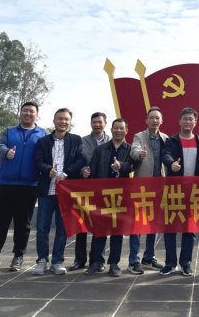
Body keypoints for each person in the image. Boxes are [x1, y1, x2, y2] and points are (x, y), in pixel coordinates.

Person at [0, 102, 47, 272]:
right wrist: (6, 152)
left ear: (37, 114)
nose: (28, 113)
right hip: (5, 183)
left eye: (31, 111)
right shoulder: (9, 131)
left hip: (29, 185)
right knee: (0, 222)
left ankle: (18, 255)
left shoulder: (42, 134)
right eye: (25, 110)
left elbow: (46, 154)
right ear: (20, 113)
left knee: (23, 223)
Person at [33, 108, 86, 275]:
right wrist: (48, 170)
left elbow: (81, 159)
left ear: (70, 122)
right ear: (54, 121)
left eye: (66, 119)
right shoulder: (43, 141)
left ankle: (57, 261)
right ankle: (42, 261)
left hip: (65, 192)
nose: (63, 122)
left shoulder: (76, 140)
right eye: (60, 119)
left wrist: (66, 173)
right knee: (42, 228)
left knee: (62, 229)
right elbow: (38, 161)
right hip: (46, 191)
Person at [83, 118, 134, 277]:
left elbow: (133, 166)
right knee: (99, 230)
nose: (118, 131)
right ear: (111, 130)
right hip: (102, 196)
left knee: (117, 231)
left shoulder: (130, 149)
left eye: (121, 128)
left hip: (120, 196)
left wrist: (121, 166)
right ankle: (97, 262)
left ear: (126, 131)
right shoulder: (101, 149)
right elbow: (93, 170)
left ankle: (114, 263)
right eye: (116, 128)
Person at [160, 107, 199, 276]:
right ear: (179, 121)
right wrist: (171, 164)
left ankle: (186, 263)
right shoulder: (171, 141)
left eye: (191, 119)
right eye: (185, 119)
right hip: (174, 191)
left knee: (190, 229)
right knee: (170, 228)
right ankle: (170, 263)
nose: (188, 121)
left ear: (195, 122)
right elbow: (165, 155)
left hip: (193, 192)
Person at [127, 107, 168, 275]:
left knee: (154, 224)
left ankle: (149, 257)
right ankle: (133, 260)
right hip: (142, 188)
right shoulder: (139, 136)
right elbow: (134, 150)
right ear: (146, 120)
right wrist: (140, 154)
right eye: (152, 118)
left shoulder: (166, 138)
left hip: (160, 187)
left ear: (161, 121)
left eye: (157, 118)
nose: (154, 121)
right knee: (137, 224)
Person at [70, 112, 110, 271]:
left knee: (100, 225)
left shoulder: (111, 140)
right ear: (91, 124)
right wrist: (82, 171)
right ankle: (79, 259)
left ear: (105, 124)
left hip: (104, 189)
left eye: (100, 122)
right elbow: (77, 160)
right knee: (82, 225)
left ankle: (97, 260)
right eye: (94, 122)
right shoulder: (82, 141)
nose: (97, 125)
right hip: (85, 188)